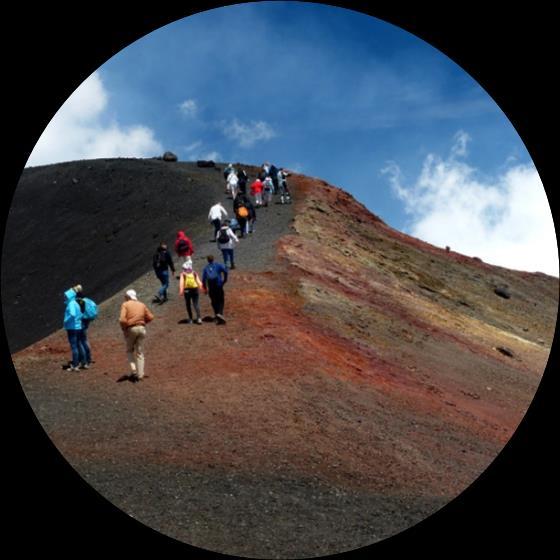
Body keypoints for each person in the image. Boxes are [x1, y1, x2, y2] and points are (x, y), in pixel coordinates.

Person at [119, 289, 154, 382]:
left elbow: (122, 320)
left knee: (129, 350)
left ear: (128, 296)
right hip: (142, 329)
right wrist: (143, 322)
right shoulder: (142, 304)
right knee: (140, 352)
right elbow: (151, 317)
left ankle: (134, 370)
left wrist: (124, 329)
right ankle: (140, 374)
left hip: (131, 329)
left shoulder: (125, 304)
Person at [62, 284, 84, 371]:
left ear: (69, 296)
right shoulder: (76, 303)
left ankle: (75, 365)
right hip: (77, 327)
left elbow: (72, 314)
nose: (64, 297)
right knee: (78, 345)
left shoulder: (71, 304)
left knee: (74, 346)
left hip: (72, 328)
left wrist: (65, 321)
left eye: (66, 296)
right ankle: (81, 361)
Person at [202, 255, 228, 324]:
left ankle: (217, 314)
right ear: (213, 259)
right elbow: (225, 271)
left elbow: (203, 280)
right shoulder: (218, 265)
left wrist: (205, 289)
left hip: (211, 287)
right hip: (218, 285)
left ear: (207, 260)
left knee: (214, 301)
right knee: (221, 300)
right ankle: (220, 313)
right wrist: (225, 280)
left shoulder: (206, 268)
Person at [75, 289, 98, 369]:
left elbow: (78, 313)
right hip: (87, 320)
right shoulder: (88, 300)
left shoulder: (80, 301)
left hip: (81, 322)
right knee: (84, 340)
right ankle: (89, 358)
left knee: (80, 341)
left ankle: (84, 361)